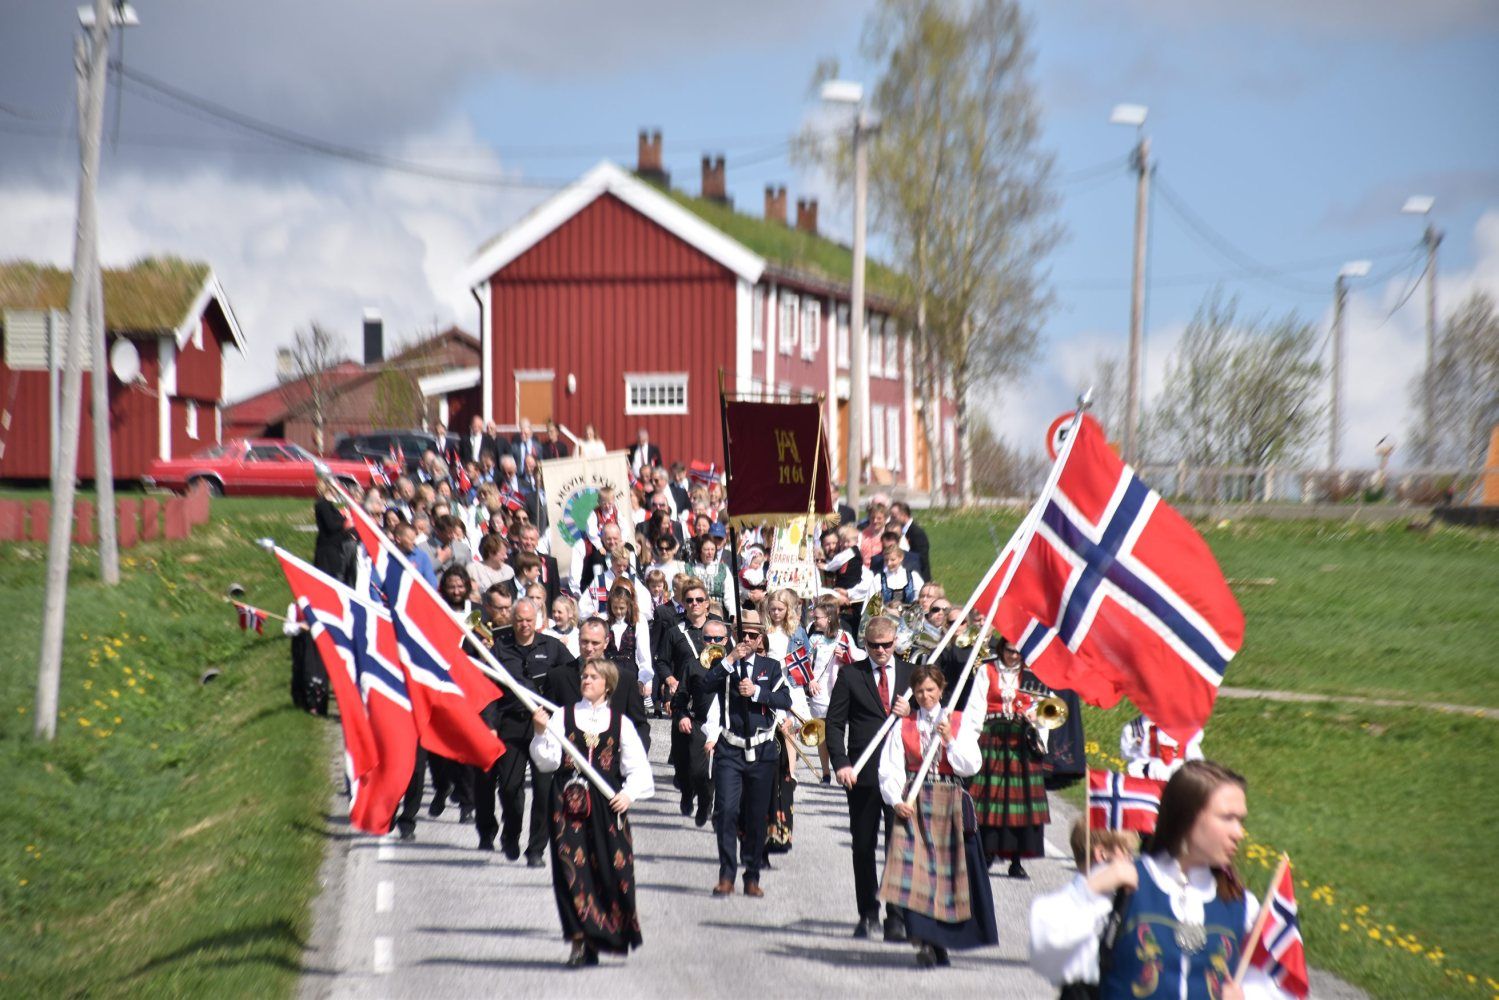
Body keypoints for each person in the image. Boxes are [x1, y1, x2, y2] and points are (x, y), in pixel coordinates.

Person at [1029, 760, 1291, 1000]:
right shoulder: (1124, 884)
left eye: (1241, 820)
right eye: (1227, 818)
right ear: (1187, 817)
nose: (1239, 833)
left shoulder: (1241, 904)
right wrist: (1090, 888)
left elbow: (1279, 987)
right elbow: (1046, 953)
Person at [529, 658, 653, 967]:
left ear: (607, 685)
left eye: (593, 677)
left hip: (606, 804)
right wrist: (539, 733)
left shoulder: (619, 723)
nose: (586, 680)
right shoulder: (562, 717)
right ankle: (578, 942)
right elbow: (547, 762)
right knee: (571, 872)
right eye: (584, 676)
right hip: (567, 803)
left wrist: (628, 795)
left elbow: (638, 768)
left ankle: (602, 935)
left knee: (611, 871)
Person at [878, 663, 996, 968]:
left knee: (949, 876)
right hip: (915, 803)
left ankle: (943, 941)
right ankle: (925, 941)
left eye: (931, 690)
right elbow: (890, 766)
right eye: (920, 691)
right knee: (919, 875)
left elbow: (970, 766)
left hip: (950, 802)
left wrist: (949, 740)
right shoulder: (904, 725)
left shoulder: (956, 722)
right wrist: (895, 800)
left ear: (941, 690)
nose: (926, 696)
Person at [825, 614, 912, 941]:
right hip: (861, 775)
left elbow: (930, 716)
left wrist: (911, 713)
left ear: (895, 643)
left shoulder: (909, 674)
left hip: (900, 776)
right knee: (863, 846)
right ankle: (867, 913)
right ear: (866, 645)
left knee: (898, 847)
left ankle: (897, 916)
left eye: (886, 645)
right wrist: (842, 763)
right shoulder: (851, 675)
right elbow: (834, 724)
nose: (880, 651)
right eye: (874, 646)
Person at [701, 611, 793, 897]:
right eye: (743, 635)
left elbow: (784, 699)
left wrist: (756, 693)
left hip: (762, 750)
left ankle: (751, 874)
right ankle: (726, 874)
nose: (748, 640)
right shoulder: (725, 664)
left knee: (756, 816)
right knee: (726, 811)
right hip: (731, 748)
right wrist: (729, 661)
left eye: (754, 635)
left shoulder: (771, 666)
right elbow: (705, 685)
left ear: (761, 637)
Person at [483, 598, 576, 862]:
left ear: (538, 621)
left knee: (545, 790)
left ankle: (536, 848)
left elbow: (570, 678)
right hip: (512, 723)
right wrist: (490, 725)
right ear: (512, 621)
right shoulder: (500, 650)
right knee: (510, 788)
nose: (524, 625)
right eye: (519, 620)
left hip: (545, 725)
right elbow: (490, 692)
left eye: (529, 620)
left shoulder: (553, 647)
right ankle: (510, 834)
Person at [1028, 821, 1141, 998]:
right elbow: (1044, 955)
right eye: (1126, 853)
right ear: (1101, 854)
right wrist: (1090, 890)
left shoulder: (1125, 899)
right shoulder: (1070, 902)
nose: (1131, 861)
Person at [968, 636, 1050, 879]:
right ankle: (986, 852)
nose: (1013, 656)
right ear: (1002, 648)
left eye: (1018, 652)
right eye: (1010, 651)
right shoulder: (987, 670)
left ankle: (1017, 860)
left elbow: (1046, 707)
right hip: (992, 737)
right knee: (989, 799)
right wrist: (969, 742)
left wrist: (1035, 720)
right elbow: (975, 707)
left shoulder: (1033, 674)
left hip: (1021, 742)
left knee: (1020, 802)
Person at [664, 584, 719, 825]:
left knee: (704, 769)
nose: (694, 604)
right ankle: (687, 792)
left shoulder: (719, 629)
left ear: (707, 602)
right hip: (688, 706)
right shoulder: (676, 631)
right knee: (683, 763)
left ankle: (706, 800)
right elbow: (663, 662)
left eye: (699, 599)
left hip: (714, 719)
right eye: (689, 600)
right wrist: (670, 682)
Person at [1121, 714, 1205, 782]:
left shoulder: (1186, 731)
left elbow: (1195, 759)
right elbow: (1134, 756)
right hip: (1150, 776)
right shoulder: (1142, 728)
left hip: (1176, 778)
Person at [689, 536, 735, 618]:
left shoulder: (722, 569)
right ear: (700, 550)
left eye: (712, 549)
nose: (710, 552)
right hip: (694, 612)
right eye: (706, 550)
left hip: (717, 613)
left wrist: (733, 614)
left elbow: (730, 595)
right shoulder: (689, 568)